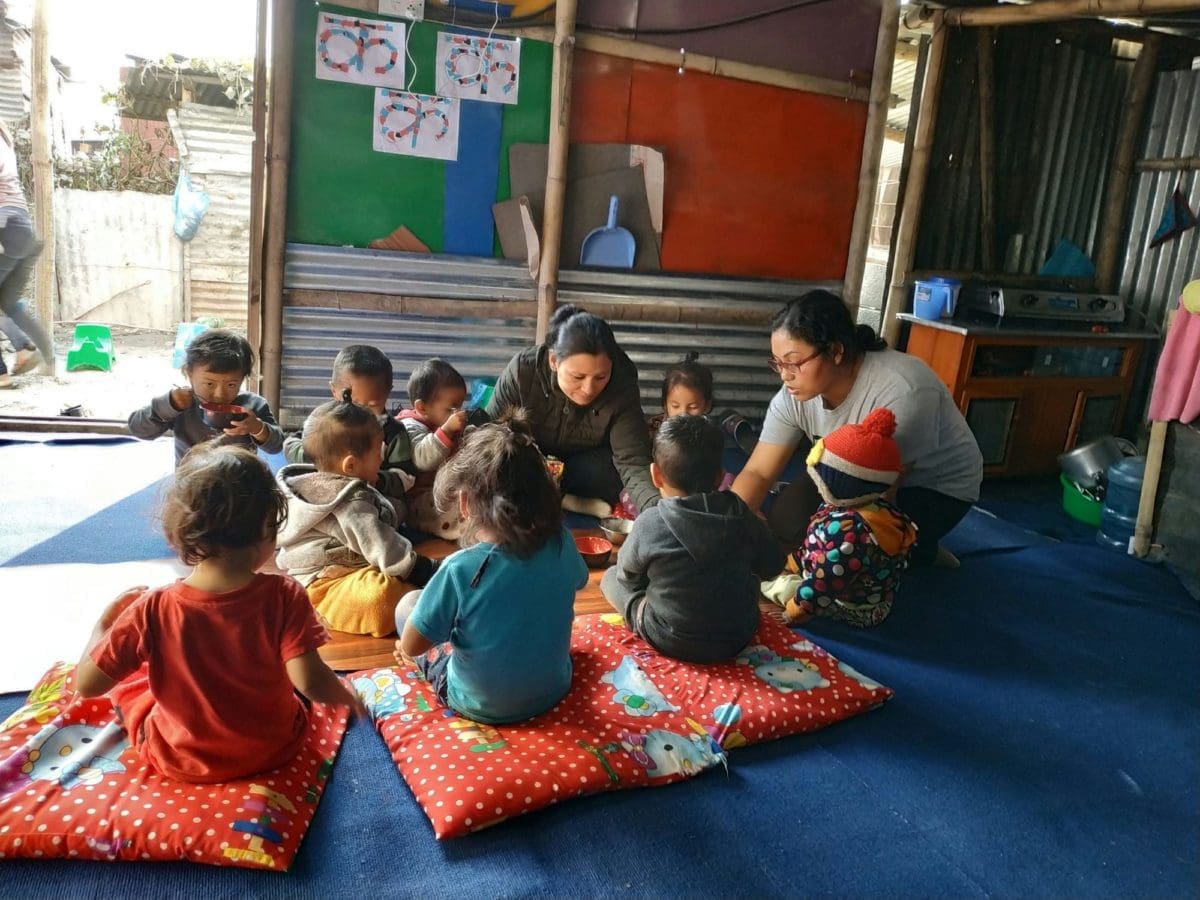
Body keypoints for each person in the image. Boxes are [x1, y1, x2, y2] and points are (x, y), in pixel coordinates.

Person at [72, 444, 364, 784]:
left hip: (181, 758)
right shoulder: (285, 595)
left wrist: (102, 627)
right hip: (275, 749)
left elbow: (88, 685)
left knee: (135, 690)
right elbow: (311, 683)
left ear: (180, 532)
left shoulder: (152, 609)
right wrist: (347, 697)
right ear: (267, 527)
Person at [731, 290, 982, 566]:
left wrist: (820, 552)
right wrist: (724, 528)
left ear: (836, 351)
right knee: (784, 524)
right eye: (777, 363)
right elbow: (758, 471)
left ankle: (920, 549)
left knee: (849, 555)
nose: (784, 374)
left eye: (793, 362)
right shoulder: (795, 393)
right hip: (847, 473)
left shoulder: (902, 391)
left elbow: (882, 496)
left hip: (931, 488)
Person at [393, 413, 588, 725]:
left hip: (480, 703)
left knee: (407, 607)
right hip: (553, 688)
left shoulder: (460, 569)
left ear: (466, 504)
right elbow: (578, 581)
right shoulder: (561, 540)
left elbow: (414, 644)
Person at [600, 415, 784, 663]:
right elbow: (773, 566)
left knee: (611, 579)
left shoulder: (651, 522)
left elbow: (625, 576)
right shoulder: (740, 513)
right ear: (720, 476)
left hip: (670, 637)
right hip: (738, 635)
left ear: (655, 475)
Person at [275, 391, 439, 637]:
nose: (381, 459)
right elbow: (384, 548)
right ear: (350, 465)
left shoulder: (319, 481)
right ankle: (316, 608)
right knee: (380, 599)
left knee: (392, 578)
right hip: (327, 584)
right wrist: (427, 571)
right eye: (378, 454)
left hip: (344, 569)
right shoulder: (350, 501)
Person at [487, 304, 659, 518]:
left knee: (606, 473)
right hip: (531, 462)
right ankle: (555, 497)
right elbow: (489, 436)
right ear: (553, 361)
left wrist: (658, 515)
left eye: (600, 377)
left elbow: (633, 461)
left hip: (582, 470)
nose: (588, 389)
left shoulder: (622, 384)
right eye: (578, 377)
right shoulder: (523, 371)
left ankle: (551, 497)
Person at [781, 407, 917, 628]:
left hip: (855, 607)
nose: (817, 486)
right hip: (872, 597)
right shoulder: (862, 508)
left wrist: (797, 609)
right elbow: (818, 545)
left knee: (775, 587)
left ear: (842, 484)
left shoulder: (851, 532)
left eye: (820, 480)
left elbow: (826, 581)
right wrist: (793, 563)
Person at [283, 344, 415, 508]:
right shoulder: (325, 422)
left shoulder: (394, 433)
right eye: (353, 404)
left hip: (371, 502)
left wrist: (370, 477)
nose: (362, 412)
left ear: (388, 392)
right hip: (323, 498)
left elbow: (406, 477)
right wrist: (322, 458)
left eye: (372, 405)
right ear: (334, 392)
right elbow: (290, 444)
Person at [128, 328, 284, 466]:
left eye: (231, 385)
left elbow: (276, 446)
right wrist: (169, 405)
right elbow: (138, 429)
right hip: (191, 486)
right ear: (189, 374)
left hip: (239, 487)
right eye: (209, 384)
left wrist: (258, 428)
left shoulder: (253, 406)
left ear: (243, 378)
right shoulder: (181, 404)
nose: (219, 395)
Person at [0, 120, 53, 381]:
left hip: (5, 226)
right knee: (9, 302)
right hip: (20, 228)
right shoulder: (5, 143)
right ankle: (34, 352)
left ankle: (1, 374)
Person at [397, 357, 469, 538]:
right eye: (451, 409)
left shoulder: (440, 421)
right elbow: (423, 459)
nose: (457, 413)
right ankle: (471, 534)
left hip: (445, 490)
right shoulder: (410, 425)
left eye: (460, 407)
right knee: (460, 511)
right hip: (420, 501)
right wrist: (446, 430)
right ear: (422, 407)